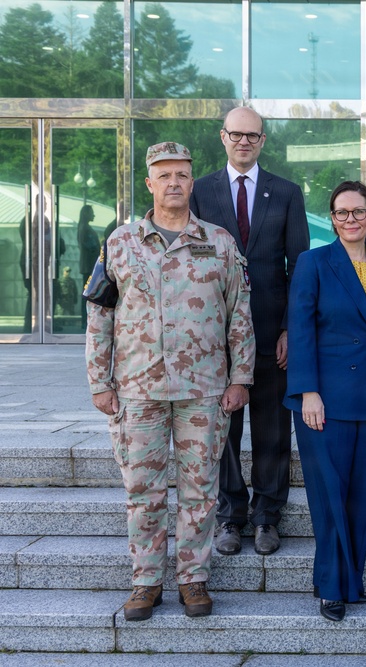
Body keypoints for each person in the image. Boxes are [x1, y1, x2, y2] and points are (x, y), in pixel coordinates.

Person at [84, 141, 254, 622]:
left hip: (204, 390)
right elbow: (99, 318)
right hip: (138, 391)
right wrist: (100, 381)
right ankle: (145, 582)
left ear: (191, 181)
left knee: (200, 488)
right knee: (143, 489)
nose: (174, 183)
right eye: (164, 175)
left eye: (182, 174)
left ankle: (193, 579)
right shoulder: (120, 242)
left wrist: (241, 375)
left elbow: (239, 313)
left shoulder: (218, 242)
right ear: (149, 183)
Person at [190, 106, 310, 557]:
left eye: (253, 136)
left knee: (273, 430)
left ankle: (266, 517)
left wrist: (288, 329)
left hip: (269, 332)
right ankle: (230, 515)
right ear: (223, 137)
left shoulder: (286, 192)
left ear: (263, 140)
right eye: (236, 134)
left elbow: (299, 265)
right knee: (223, 431)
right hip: (214, 339)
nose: (244, 142)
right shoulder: (200, 192)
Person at [284, 181, 366, 622]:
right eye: (341, 212)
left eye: (358, 212)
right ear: (332, 218)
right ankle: (332, 586)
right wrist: (307, 391)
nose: (350, 219)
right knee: (329, 495)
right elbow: (300, 330)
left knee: (359, 496)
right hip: (324, 401)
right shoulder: (313, 262)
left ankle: (350, 580)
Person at [77, 204, 101, 328]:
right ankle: (85, 321)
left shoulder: (84, 228)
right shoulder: (85, 229)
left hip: (88, 265)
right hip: (89, 266)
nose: (93, 215)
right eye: (91, 212)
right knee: (88, 293)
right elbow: (91, 247)